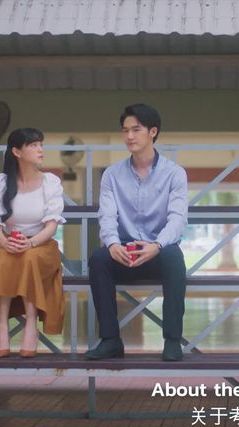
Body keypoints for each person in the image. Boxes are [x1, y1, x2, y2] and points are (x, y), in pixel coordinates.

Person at [86, 104, 188, 361]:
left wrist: (157, 245)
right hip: (124, 251)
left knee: (175, 258)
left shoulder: (174, 174)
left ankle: (172, 340)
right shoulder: (112, 174)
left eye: (136, 129)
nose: (129, 136)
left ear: (153, 132)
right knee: (98, 259)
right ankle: (110, 340)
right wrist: (112, 244)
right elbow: (107, 216)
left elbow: (178, 219)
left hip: (158, 251)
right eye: (125, 131)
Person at [0, 128, 66, 358]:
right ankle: (2, 326)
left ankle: (31, 323)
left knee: (28, 258)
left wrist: (31, 242)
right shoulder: (1, 183)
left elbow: (52, 226)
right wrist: (5, 242)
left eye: (41, 144)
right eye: (33, 145)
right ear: (17, 152)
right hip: (8, 242)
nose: (40, 150)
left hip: (41, 244)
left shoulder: (50, 182)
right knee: (2, 257)